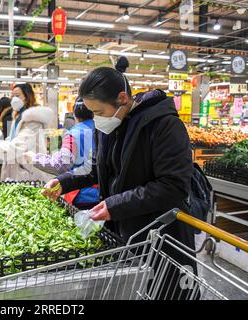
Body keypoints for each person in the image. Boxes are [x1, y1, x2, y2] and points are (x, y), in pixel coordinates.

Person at [42, 58, 198, 300]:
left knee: (166, 294)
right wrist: (65, 182)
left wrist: (116, 205)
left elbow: (173, 186)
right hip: (129, 233)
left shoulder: (164, 126)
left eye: (98, 112)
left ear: (122, 99)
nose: (96, 119)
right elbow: (96, 171)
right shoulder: (108, 127)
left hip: (164, 237)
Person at [26, 97, 99, 210]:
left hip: (81, 196)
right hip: (103, 196)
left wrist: (34, 158)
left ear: (74, 114)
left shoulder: (73, 135)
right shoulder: (102, 131)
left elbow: (60, 164)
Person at [0, 83, 55, 182]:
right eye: (12, 96)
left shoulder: (33, 120)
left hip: (28, 168)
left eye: (17, 95)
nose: (14, 99)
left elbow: (19, 145)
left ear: (27, 97)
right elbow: (12, 139)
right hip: (18, 165)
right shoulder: (18, 116)